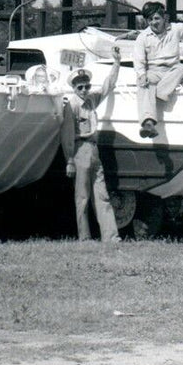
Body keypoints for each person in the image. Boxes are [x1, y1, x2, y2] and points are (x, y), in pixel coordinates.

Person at [60, 46, 123, 242]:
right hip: (80, 151)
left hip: (94, 150)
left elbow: (108, 86)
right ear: (74, 88)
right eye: (80, 87)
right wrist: (69, 160)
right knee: (82, 197)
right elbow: (67, 135)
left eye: (87, 86)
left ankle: (111, 236)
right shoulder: (71, 106)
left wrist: (117, 63)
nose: (85, 90)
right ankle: (84, 237)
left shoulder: (92, 100)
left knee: (102, 194)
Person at [133, 0, 183, 138]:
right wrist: (141, 75)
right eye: (150, 20)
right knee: (143, 80)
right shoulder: (142, 37)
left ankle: (158, 95)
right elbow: (139, 60)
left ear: (164, 17)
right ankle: (148, 123)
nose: (154, 22)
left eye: (157, 18)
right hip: (154, 71)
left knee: (182, 67)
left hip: (173, 71)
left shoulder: (175, 29)